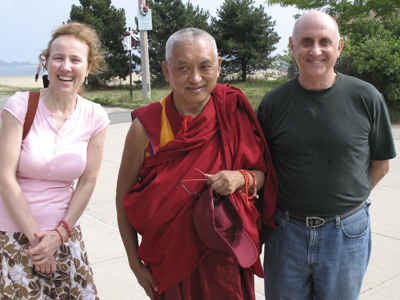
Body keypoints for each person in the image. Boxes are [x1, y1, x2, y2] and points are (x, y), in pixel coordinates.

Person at [116, 27, 277, 300]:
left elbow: (262, 176)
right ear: (166, 72)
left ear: (218, 67)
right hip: (170, 260)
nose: (195, 78)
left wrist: (240, 178)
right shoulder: (147, 127)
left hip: (226, 257)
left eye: (205, 67)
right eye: (183, 68)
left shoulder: (231, 110)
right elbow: (123, 198)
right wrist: (134, 262)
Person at [257, 11, 397, 300]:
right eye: (306, 41)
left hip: (347, 234)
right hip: (286, 234)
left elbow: (381, 165)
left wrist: (343, 204)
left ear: (340, 46)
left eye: (325, 41)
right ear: (292, 46)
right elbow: (262, 169)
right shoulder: (273, 104)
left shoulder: (367, 98)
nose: (316, 50)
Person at [0, 22, 109, 299]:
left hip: (65, 235)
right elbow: (4, 177)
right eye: (58, 58)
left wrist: (58, 236)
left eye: (75, 60)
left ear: (88, 66)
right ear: (46, 62)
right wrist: (39, 244)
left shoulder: (95, 116)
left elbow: (88, 181)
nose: (66, 67)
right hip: (16, 236)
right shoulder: (20, 106)